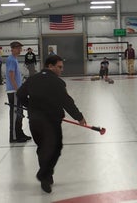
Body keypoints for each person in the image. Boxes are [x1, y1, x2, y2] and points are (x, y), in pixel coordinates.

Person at [17, 55, 87, 193]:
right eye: (59, 67)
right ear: (50, 66)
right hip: (51, 122)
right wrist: (79, 117)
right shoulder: (57, 82)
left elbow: (20, 94)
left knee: (42, 148)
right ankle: (44, 174)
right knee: (56, 148)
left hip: (34, 121)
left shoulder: (32, 79)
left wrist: (30, 106)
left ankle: (46, 176)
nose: (61, 70)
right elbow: (66, 101)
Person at [6, 41, 31, 143]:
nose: (20, 50)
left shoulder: (14, 59)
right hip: (13, 91)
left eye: (20, 48)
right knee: (15, 114)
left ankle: (20, 133)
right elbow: (11, 77)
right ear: (13, 49)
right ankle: (14, 136)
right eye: (18, 48)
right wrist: (17, 90)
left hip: (17, 90)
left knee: (19, 113)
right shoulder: (11, 60)